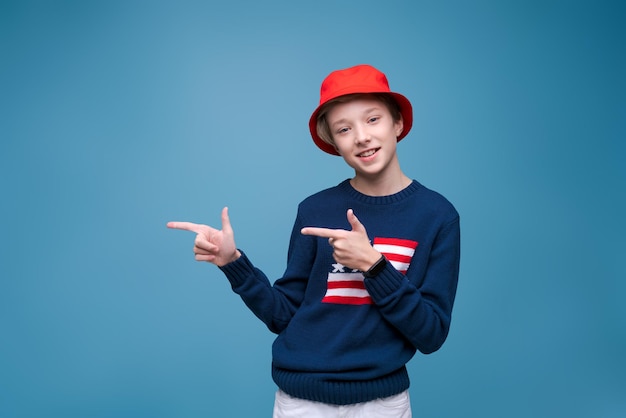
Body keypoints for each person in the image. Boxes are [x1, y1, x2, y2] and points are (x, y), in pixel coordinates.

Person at [167, 64, 460, 417]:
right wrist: (233, 263)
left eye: (373, 120)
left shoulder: (437, 216)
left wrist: (374, 266)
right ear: (334, 143)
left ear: (397, 123)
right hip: (301, 402)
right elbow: (283, 314)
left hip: (382, 405)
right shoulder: (315, 209)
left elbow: (431, 334)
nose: (362, 137)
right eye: (344, 129)